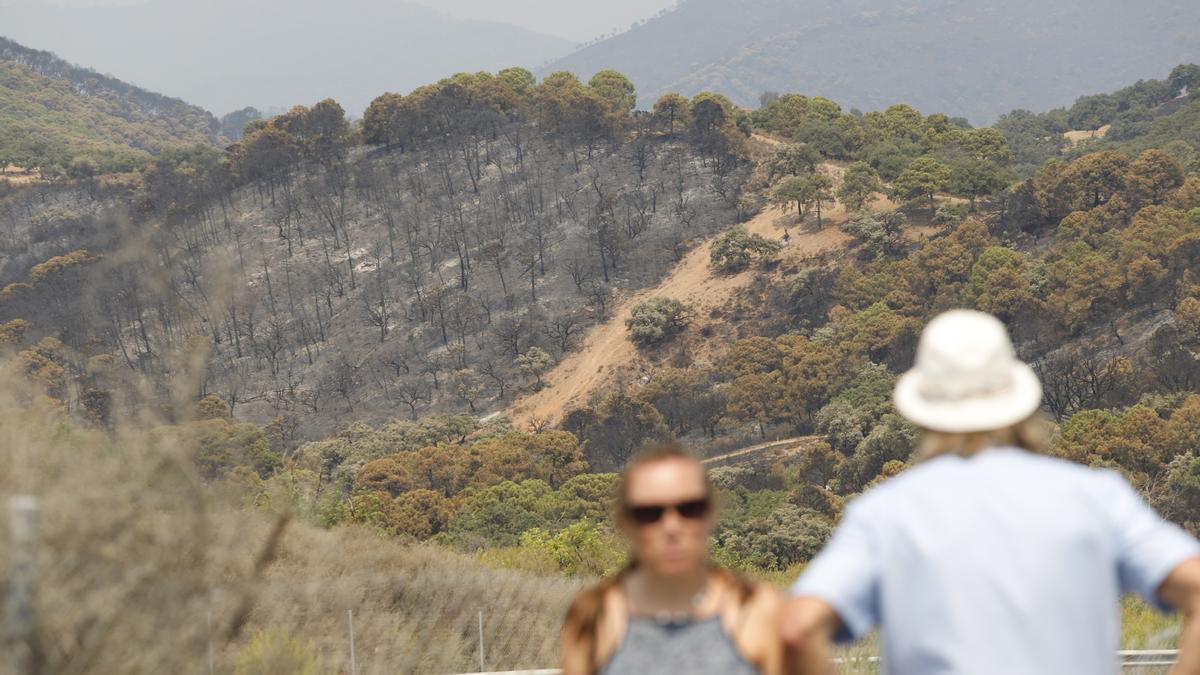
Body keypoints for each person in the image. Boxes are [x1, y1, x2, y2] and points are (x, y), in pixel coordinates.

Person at [780, 309, 1200, 674]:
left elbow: (798, 628)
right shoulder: (1096, 498)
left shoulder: (885, 514)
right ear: (1018, 401)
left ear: (923, 410)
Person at [561, 443, 786, 675]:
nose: (672, 527)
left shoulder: (757, 609)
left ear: (710, 514)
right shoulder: (593, 615)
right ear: (625, 522)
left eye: (689, 509)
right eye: (650, 513)